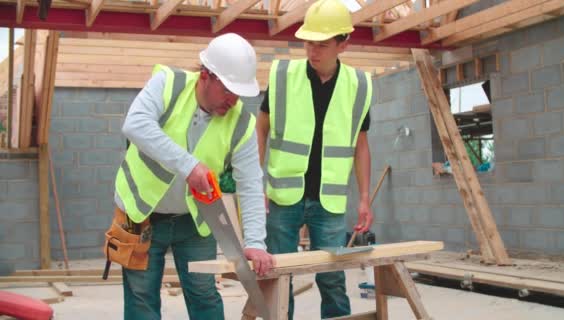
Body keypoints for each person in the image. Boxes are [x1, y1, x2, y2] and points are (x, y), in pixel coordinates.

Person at [113, 33, 274, 320]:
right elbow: (135, 124)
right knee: (141, 299)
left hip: (194, 220)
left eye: (238, 92)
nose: (233, 99)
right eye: (227, 89)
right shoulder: (168, 85)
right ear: (205, 75)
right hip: (141, 213)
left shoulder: (242, 124)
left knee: (204, 296)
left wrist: (255, 244)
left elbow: (250, 185)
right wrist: (188, 165)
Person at [256, 0, 374, 318]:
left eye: (321, 45)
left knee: (332, 279)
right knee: (279, 276)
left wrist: (364, 198)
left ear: (343, 43)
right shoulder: (283, 75)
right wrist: (258, 184)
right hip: (283, 195)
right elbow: (262, 128)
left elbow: (360, 145)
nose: (312, 51)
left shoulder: (359, 85)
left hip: (330, 201)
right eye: (308, 43)